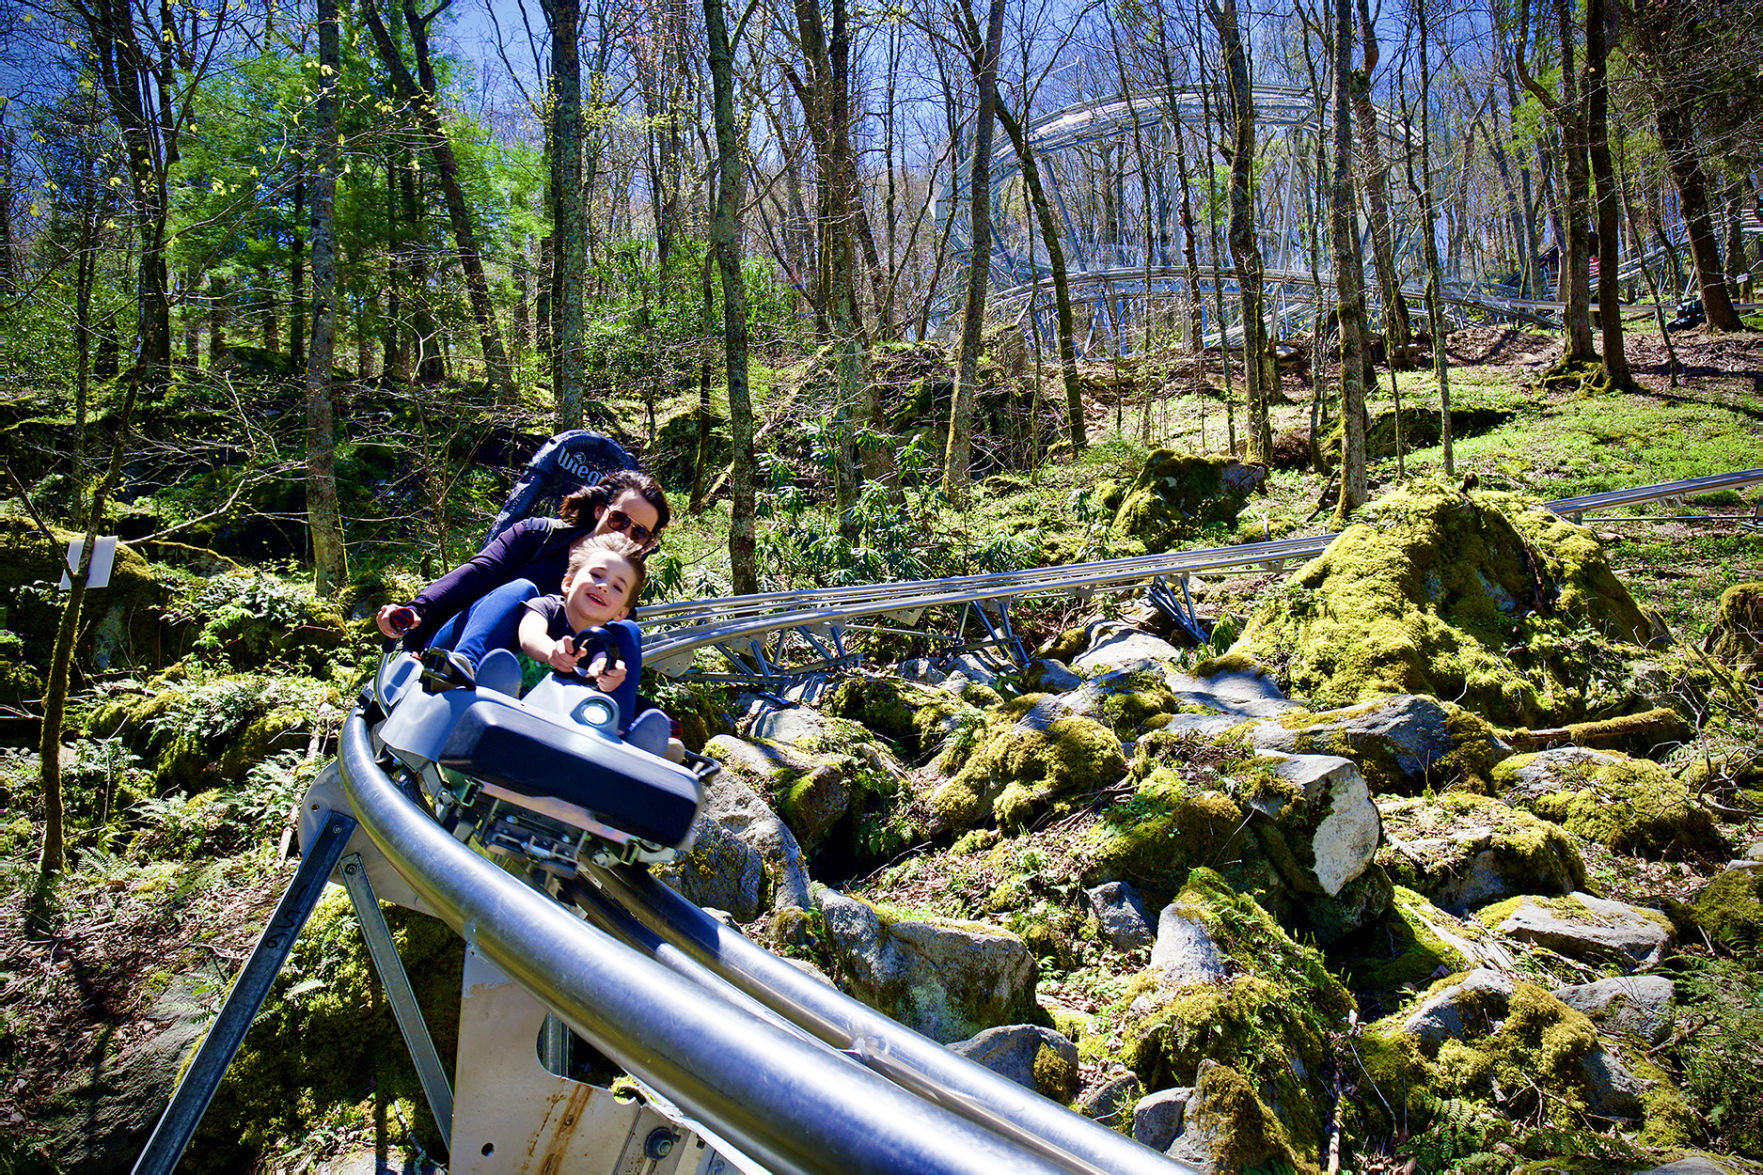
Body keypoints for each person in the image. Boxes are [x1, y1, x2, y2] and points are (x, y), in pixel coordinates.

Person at [375, 469, 670, 666]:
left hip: (537, 678)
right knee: (521, 590)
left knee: (626, 635)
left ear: (646, 543)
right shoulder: (537, 536)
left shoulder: (620, 595)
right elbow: (478, 573)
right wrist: (418, 609)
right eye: (620, 520)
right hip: (465, 644)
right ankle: (461, 667)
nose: (624, 534)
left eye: (639, 532)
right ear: (599, 510)